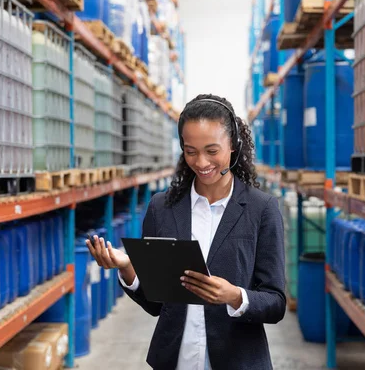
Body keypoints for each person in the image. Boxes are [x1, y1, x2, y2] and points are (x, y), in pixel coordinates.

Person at [86, 94, 286, 370]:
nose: (201, 162)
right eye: (191, 151)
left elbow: (276, 303)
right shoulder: (161, 208)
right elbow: (156, 304)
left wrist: (235, 296)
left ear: (234, 145)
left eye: (212, 151)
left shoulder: (261, 209)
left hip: (237, 359)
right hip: (175, 360)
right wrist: (129, 270)